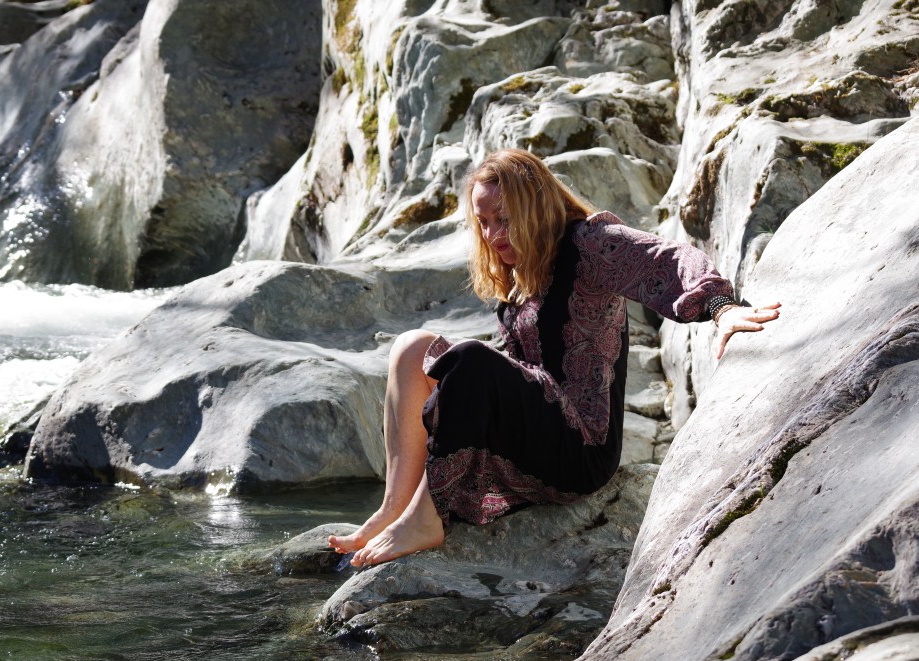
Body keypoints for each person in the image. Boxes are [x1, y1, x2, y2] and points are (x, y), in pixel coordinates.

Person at [329, 149, 780, 567]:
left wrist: (721, 308)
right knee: (412, 348)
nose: (493, 235)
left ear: (534, 208)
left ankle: (426, 518)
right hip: (535, 437)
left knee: (469, 360)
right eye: (483, 222)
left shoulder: (590, 243)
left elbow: (666, 258)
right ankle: (395, 507)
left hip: (580, 452)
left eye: (504, 219)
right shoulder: (520, 267)